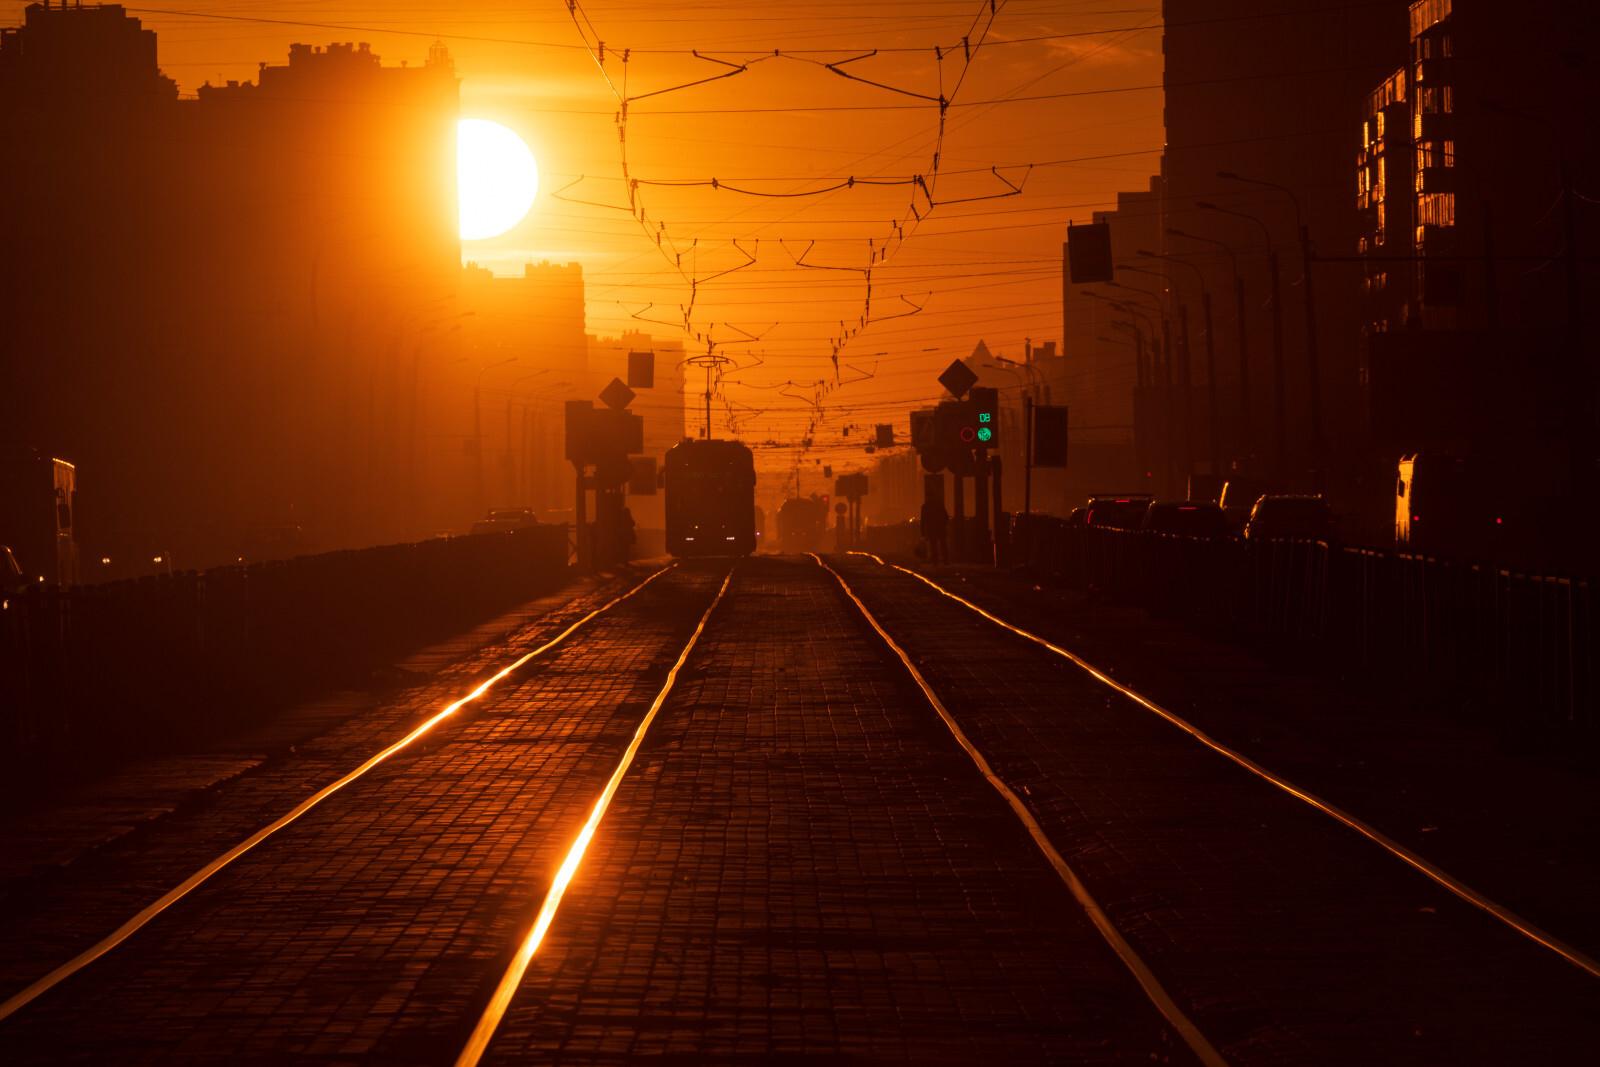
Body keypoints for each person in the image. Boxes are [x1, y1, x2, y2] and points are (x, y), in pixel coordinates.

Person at [920, 497, 949, 563]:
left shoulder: (925, 507)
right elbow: (946, 517)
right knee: (943, 544)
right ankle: (945, 560)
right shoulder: (939, 505)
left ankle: (935, 560)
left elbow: (923, 520)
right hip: (941, 528)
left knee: (933, 545)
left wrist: (922, 533)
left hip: (931, 529)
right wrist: (943, 525)